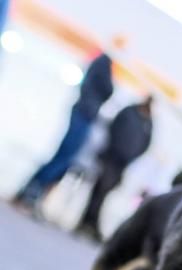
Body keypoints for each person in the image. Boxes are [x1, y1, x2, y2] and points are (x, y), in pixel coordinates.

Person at [14, 53, 113, 209]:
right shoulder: (102, 64)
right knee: (65, 156)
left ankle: (34, 192)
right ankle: (32, 191)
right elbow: (100, 90)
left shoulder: (103, 65)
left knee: (65, 158)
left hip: (85, 114)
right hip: (84, 113)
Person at [77, 95, 153, 239]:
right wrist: (115, 149)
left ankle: (91, 222)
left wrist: (132, 156)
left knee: (104, 193)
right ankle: (87, 222)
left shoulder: (148, 122)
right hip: (111, 158)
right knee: (99, 190)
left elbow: (146, 144)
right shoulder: (129, 112)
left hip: (122, 164)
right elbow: (114, 128)